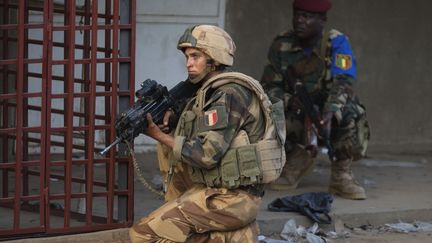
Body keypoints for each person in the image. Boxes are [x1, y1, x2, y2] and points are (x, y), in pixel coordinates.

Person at [129, 24, 285, 242]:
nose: (189, 64)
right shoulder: (214, 90)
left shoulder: (228, 94)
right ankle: (237, 234)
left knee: (142, 234)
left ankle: (232, 232)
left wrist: (156, 134)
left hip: (229, 199)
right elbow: (206, 130)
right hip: (228, 193)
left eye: (196, 56)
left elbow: (206, 154)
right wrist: (174, 121)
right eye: (187, 57)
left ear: (215, 57)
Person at [260, 0, 370, 200]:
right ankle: (296, 160)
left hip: (326, 106)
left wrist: (329, 114)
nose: (300, 21)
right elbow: (269, 87)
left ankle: (341, 175)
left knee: (348, 109)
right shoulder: (281, 44)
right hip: (297, 107)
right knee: (268, 112)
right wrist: (289, 101)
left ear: (322, 20)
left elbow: (343, 82)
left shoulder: (336, 42)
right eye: (297, 15)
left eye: (308, 17)